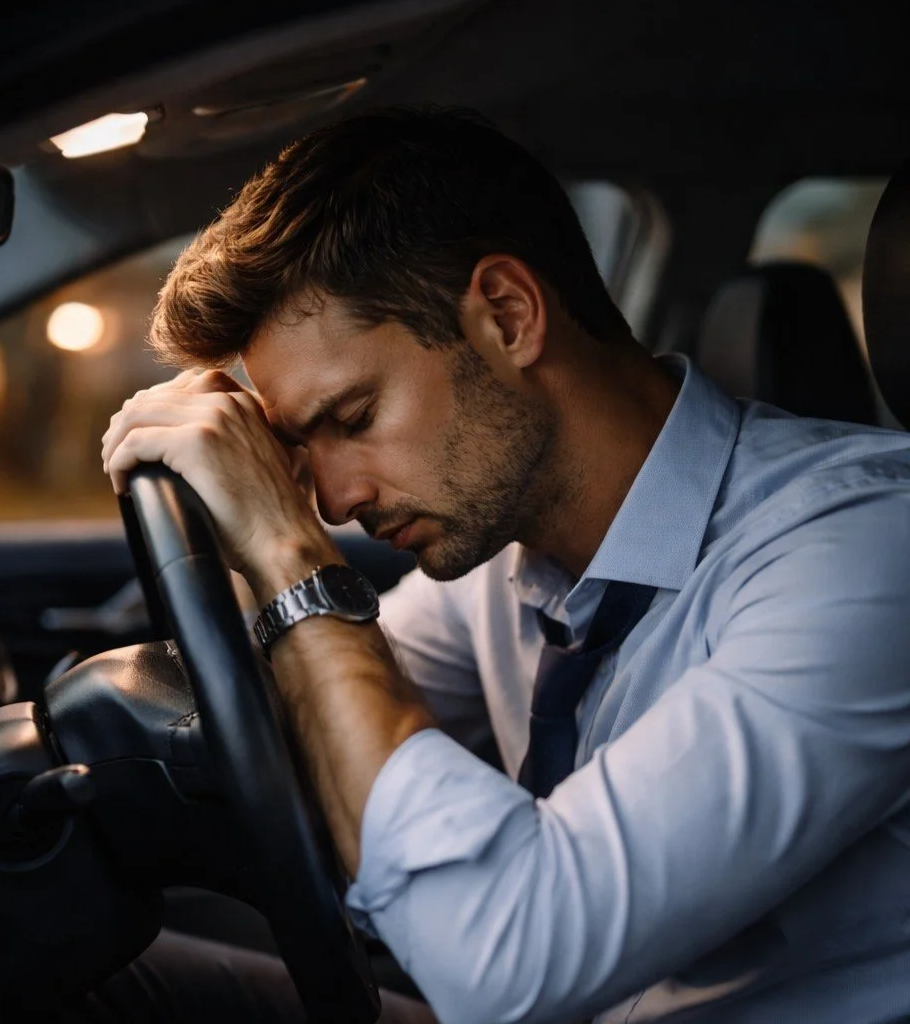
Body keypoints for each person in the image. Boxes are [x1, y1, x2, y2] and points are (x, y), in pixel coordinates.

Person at [91, 107, 910, 1023]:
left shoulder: (864, 554)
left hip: (517, 967)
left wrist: (288, 554)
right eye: (297, 452)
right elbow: (289, 731)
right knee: (98, 984)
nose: (332, 500)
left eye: (352, 417)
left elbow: (509, 957)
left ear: (507, 317)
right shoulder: (509, 560)